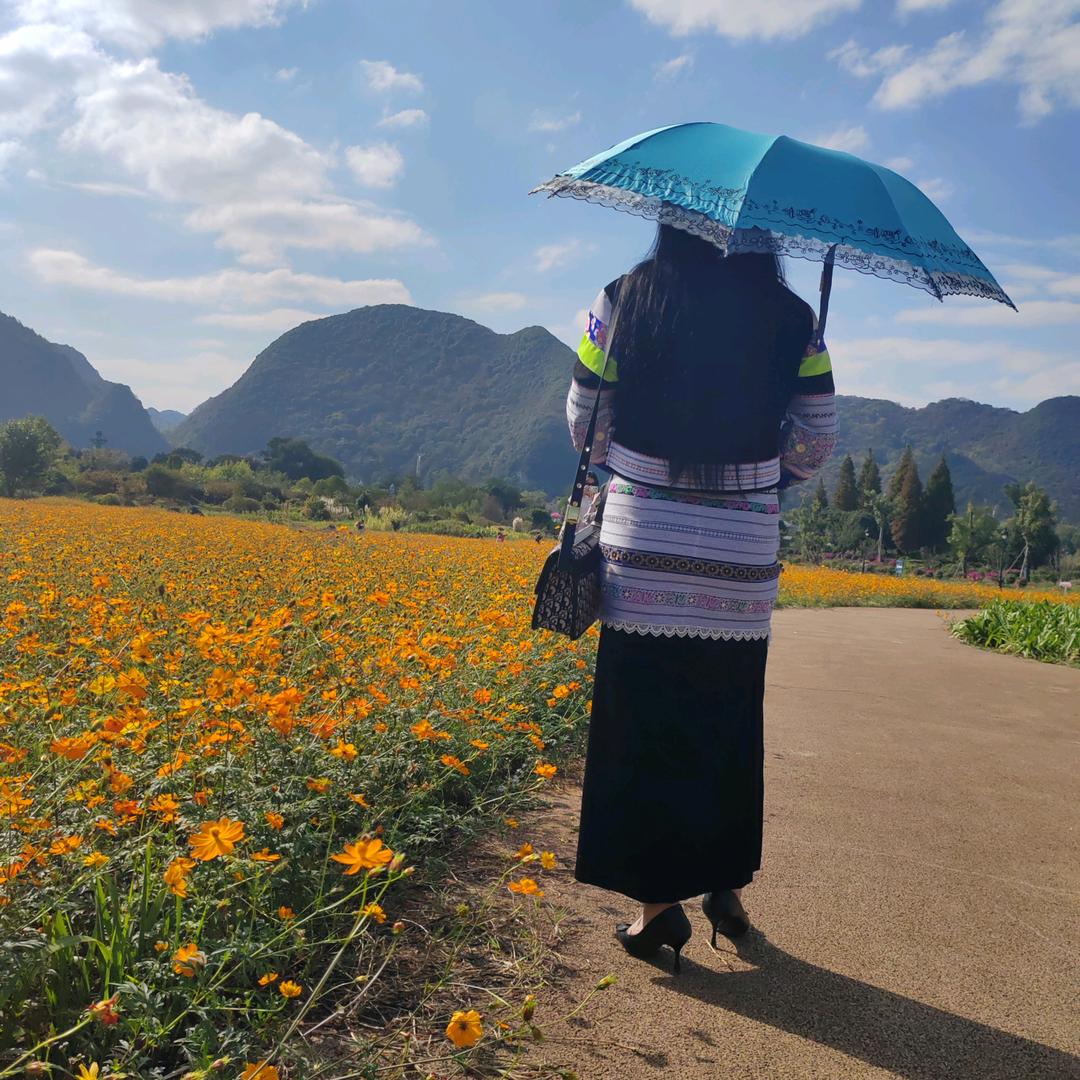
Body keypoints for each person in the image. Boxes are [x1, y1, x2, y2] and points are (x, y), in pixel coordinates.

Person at [565, 224, 837, 973]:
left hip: (642, 542)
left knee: (642, 725)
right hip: (741, 560)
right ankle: (722, 882)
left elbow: (584, 419)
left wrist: (632, 472)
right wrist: (758, 483)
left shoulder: (624, 298)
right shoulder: (793, 317)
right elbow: (817, 442)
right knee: (724, 719)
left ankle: (657, 912)